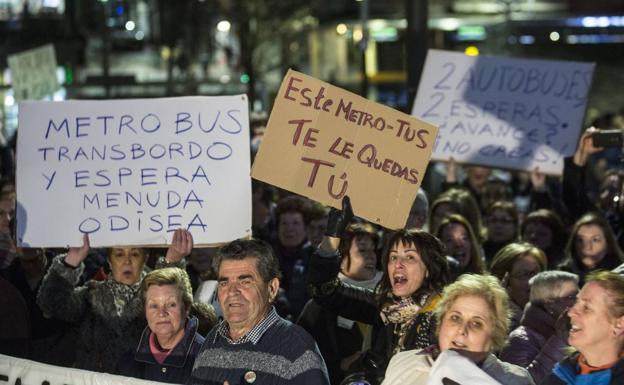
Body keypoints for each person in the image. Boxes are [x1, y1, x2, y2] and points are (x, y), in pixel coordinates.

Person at [308, 197, 449, 382]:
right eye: (392, 257)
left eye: (409, 258)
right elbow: (325, 290)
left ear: (429, 268)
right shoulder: (384, 306)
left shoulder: (446, 317)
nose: (398, 264)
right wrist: (333, 235)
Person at [36, 229, 193, 373]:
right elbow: (50, 303)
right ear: (109, 262)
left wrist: (171, 264)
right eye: (119, 254)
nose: (127, 261)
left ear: (145, 259)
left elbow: (175, 314)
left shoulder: (157, 298)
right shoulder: (91, 295)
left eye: (135, 254)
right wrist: (70, 262)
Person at [189, 238, 329, 385]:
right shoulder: (213, 339)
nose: (232, 292)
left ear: (272, 288)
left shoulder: (298, 347)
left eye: (245, 282)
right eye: (225, 283)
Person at [382, 274, 534, 385]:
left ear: (495, 336)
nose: (462, 329)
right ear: (441, 323)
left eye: (477, 323)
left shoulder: (515, 380)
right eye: (455, 318)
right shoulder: (403, 361)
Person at [297, 222, 381, 385]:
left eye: (373, 250)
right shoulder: (320, 305)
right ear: (341, 258)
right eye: (362, 250)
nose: (371, 256)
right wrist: (339, 365)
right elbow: (301, 357)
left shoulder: (388, 299)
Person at [117, 267, 215, 383]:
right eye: (154, 305)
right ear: (145, 311)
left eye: (171, 304)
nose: (162, 313)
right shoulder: (128, 361)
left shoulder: (210, 361)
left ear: (187, 307)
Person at [542, 270, 624, 385]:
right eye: (576, 302)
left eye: (586, 308)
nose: (571, 312)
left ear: (619, 325)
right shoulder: (562, 376)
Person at [499, 270, 579, 384]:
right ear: (550, 304)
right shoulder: (519, 340)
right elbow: (520, 382)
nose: (579, 302)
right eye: (571, 297)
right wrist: (560, 340)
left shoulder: (578, 331)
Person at [489, 242, 547, 330]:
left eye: (537, 273)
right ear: (504, 281)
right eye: (525, 274)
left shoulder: (555, 314)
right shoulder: (491, 322)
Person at [559, 212, 624, 284]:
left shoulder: (620, 279)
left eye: (595, 240)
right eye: (581, 240)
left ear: (608, 244)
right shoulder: (561, 276)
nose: (587, 247)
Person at [435, 213, 485, 280]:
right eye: (449, 240)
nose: (458, 245)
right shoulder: (431, 285)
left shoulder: (484, 284)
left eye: (464, 238)